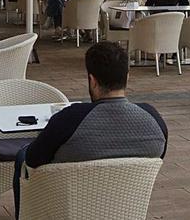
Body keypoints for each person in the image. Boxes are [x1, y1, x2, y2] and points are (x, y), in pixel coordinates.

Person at [13, 42, 168, 217]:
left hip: (67, 206)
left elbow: (33, 160)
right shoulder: (154, 120)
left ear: (92, 81)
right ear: (127, 77)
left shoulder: (70, 119)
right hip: (124, 205)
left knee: (22, 156)